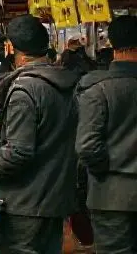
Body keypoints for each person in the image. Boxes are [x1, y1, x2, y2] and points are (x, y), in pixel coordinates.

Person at [0, 15, 81, 254]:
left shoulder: (26, 90)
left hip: (24, 206)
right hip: (54, 201)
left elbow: (18, 153)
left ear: (11, 47)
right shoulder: (65, 83)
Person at [76, 15, 137, 254]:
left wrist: (106, 171)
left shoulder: (97, 90)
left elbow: (87, 147)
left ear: (111, 45)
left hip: (110, 196)